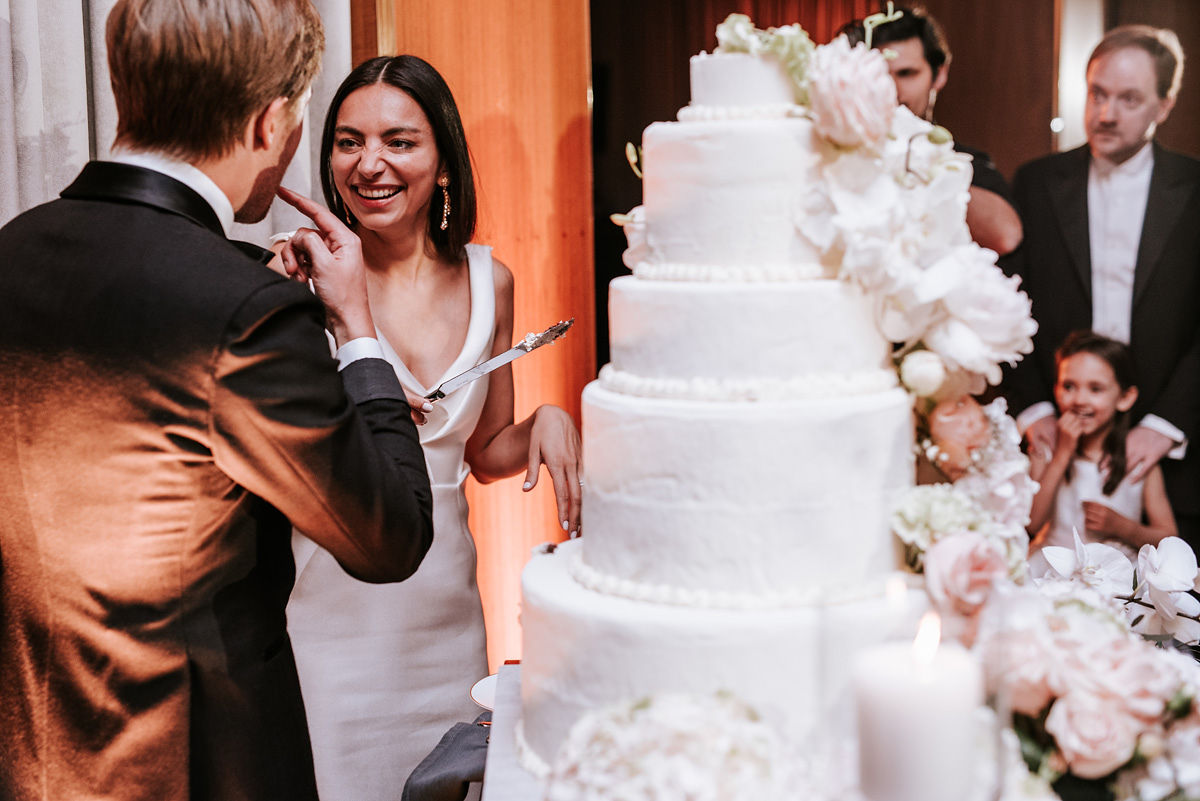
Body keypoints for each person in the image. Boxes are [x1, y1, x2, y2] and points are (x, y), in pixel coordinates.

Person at [0, 1, 436, 799]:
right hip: (195, 766)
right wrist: (357, 331)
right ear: (271, 123)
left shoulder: (13, 251)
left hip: (31, 752)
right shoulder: (249, 312)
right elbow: (389, 537)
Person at [282, 55, 582, 801]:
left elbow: (483, 452)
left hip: (444, 615)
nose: (370, 163)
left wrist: (547, 417)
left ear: (443, 162)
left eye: (399, 141)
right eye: (348, 141)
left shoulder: (491, 281)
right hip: (327, 611)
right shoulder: (297, 281)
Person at [1005, 25, 1200, 549]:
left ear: (1164, 105)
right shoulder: (1037, 182)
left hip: (1172, 444)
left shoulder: (1195, 188)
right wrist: (1036, 409)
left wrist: (1166, 423)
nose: (1106, 113)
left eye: (1129, 99)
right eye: (1098, 93)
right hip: (1059, 434)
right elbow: (1007, 305)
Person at [841, 5, 1023, 255]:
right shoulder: (832, 156)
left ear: (939, 75)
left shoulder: (966, 164)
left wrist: (912, 163)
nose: (892, 89)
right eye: (879, 74)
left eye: (906, 74)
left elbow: (1005, 235)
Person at [1026, 331, 1177, 561]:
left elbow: (1169, 539)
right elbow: (1032, 524)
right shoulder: (1045, 452)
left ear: (1125, 397)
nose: (1079, 400)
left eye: (1095, 389)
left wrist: (1124, 528)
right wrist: (1062, 454)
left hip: (1118, 582)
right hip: (1054, 573)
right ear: (1055, 389)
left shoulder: (1140, 463)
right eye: (1069, 386)